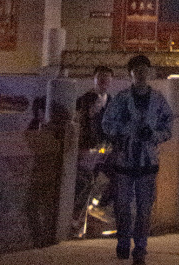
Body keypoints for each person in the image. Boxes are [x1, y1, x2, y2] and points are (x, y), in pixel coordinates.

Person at [101, 54, 173, 264]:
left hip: (148, 161)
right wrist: (126, 130)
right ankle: (123, 241)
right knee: (122, 205)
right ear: (130, 74)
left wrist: (154, 135)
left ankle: (140, 247)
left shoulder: (158, 100)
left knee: (144, 208)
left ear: (149, 73)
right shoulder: (122, 98)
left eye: (144, 70)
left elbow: (168, 126)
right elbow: (107, 123)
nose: (141, 74)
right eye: (137, 71)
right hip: (125, 159)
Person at [73, 66, 114, 237]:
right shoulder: (84, 100)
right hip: (87, 151)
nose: (103, 80)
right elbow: (79, 122)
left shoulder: (111, 101)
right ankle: (78, 225)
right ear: (94, 78)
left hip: (104, 150)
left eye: (107, 77)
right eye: (100, 77)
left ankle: (98, 207)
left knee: (117, 175)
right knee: (85, 185)